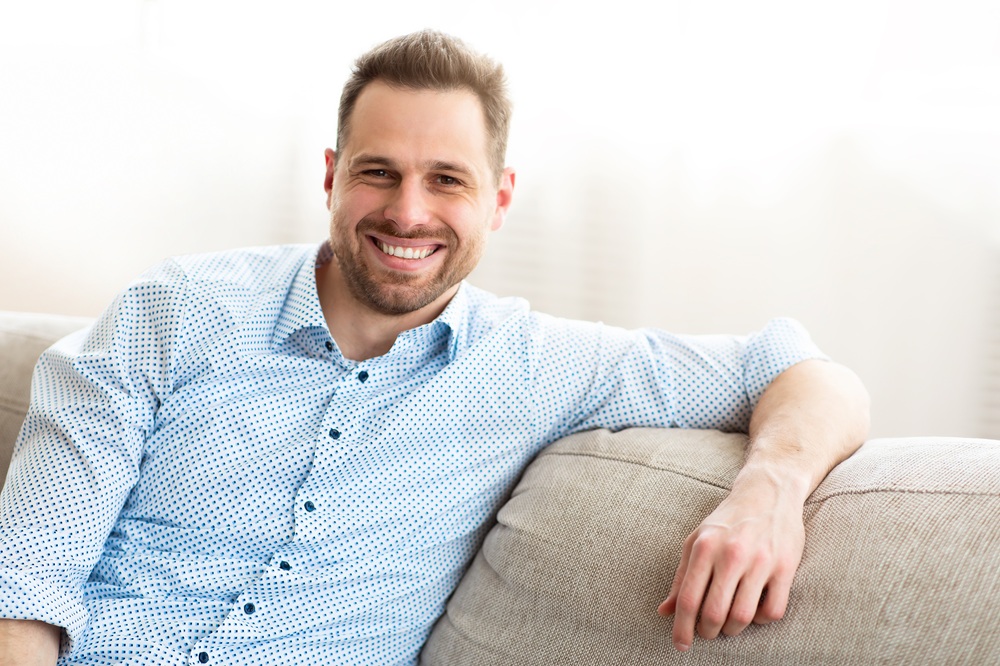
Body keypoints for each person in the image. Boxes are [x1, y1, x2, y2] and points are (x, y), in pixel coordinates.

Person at [0, 30, 870, 666]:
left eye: (446, 180)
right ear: (332, 174)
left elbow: (798, 369)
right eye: (379, 171)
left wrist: (768, 491)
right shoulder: (172, 312)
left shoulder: (533, 366)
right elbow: (27, 586)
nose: (408, 212)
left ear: (499, 200)